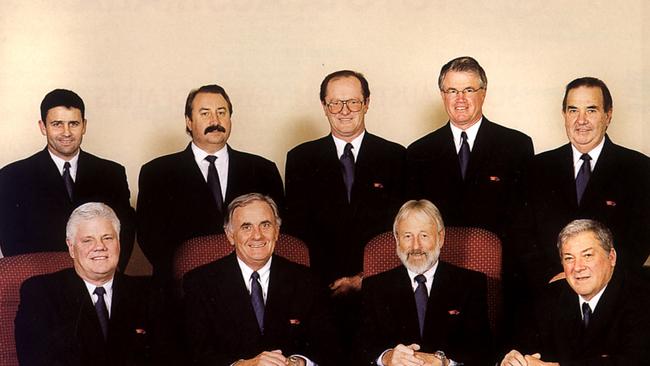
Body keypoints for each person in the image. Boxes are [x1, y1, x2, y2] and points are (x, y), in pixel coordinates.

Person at [284, 70, 406, 350]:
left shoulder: (396, 156)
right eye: (335, 103)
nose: (344, 111)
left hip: (380, 289)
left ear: (367, 103)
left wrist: (365, 279)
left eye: (352, 102)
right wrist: (325, 284)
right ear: (324, 107)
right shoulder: (300, 159)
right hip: (321, 293)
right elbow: (296, 234)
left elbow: (402, 231)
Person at [510, 77, 650, 291]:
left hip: (612, 291)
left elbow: (640, 240)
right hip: (548, 289)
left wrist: (598, 282)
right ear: (564, 114)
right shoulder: (536, 168)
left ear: (608, 115)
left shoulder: (639, 168)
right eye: (573, 110)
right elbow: (521, 235)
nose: (581, 120)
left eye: (591, 110)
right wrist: (552, 277)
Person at [137, 84, 284, 281]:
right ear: (189, 121)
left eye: (222, 112)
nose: (215, 120)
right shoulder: (157, 173)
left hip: (249, 284)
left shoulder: (263, 170)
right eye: (205, 113)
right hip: (182, 287)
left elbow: (277, 233)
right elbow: (151, 239)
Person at [183, 193, 339, 365]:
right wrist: (244, 365)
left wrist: (299, 361)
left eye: (265, 225)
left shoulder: (308, 280)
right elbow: (196, 353)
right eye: (246, 227)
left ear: (277, 231)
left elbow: (329, 347)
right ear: (229, 235)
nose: (257, 236)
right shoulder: (199, 283)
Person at [15, 202, 173, 366]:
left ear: (119, 242)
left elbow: (171, 358)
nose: (100, 247)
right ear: (71, 247)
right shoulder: (40, 293)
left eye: (107, 238)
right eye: (87, 240)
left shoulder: (151, 292)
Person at [0, 89, 135, 270]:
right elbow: (11, 242)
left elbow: (124, 231)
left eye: (73, 123)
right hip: (40, 282)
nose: (66, 132)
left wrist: (107, 273)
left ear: (84, 125)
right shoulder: (12, 176)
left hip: (99, 280)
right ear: (42, 126)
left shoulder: (111, 173)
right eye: (57, 124)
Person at [407, 56, 533, 237]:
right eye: (452, 91)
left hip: (500, 260)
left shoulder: (516, 146)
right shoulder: (418, 152)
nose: (460, 99)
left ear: (483, 93)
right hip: (441, 260)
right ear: (443, 95)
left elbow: (524, 220)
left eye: (468, 90)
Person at [358, 199, 492, 366]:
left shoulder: (471, 283)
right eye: (408, 236)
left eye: (424, 235)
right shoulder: (374, 286)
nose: (416, 246)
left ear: (440, 237)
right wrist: (386, 358)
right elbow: (361, 348)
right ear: (397, 239)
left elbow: (483, 350)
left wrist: (445, 362)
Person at [500, 219, 650, 365]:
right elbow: (523, 348)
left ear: (611, 257)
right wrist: (514, 360)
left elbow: (635, 360)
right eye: (569, 258)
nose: (578, 267)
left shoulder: (642, 298)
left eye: (587, 255)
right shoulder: (549, 297)